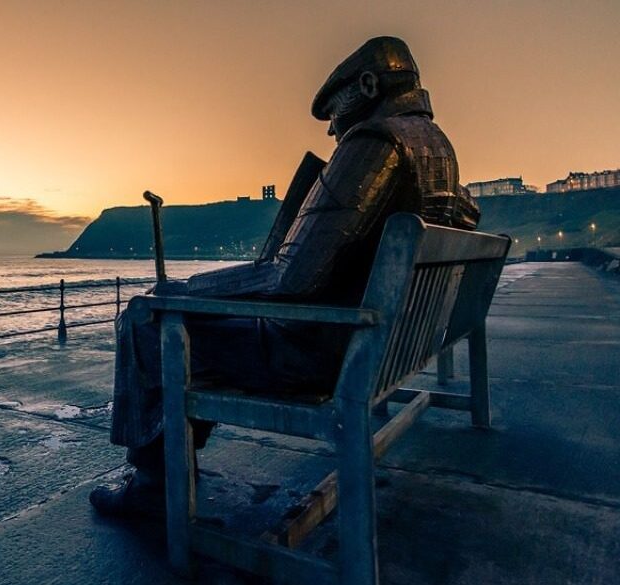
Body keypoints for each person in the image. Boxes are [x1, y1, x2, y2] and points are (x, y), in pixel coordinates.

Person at [90, 36, 480, 516]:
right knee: (176, 316)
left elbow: (292, 278)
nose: (334, 132)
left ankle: (153, 487)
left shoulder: (375, 141)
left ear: (367, 84)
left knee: (146, 320)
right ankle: (169, 466)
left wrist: (183, 291)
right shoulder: (437, 147)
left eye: (335, 114)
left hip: (324, 356)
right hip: (387, 342)